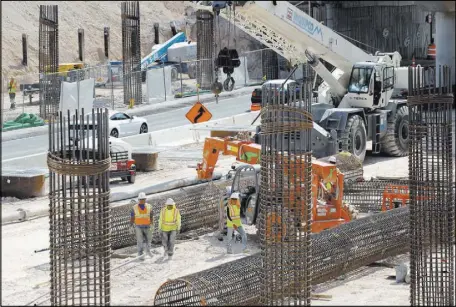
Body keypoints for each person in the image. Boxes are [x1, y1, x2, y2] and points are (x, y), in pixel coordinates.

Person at [129, 192, 154, 259]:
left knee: (149, 239)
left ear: (145, 199)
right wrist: (131, 225)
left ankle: (148, 251)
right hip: (138, 227)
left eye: (143, 199)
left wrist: (152, 224)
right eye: (141, 199)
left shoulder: (149, 206)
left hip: (147, 226)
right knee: (140, 241)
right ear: (138, 200)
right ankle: (140, 254)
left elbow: (151, 216)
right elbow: (132, 217)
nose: (142, 200)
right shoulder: (134, 207)